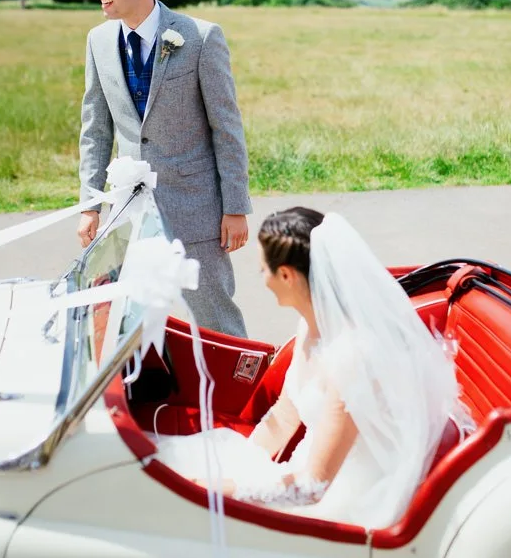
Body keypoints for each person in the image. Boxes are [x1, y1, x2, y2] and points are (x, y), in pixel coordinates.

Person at [155, 207, 474, 528]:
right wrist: (235, 466)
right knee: (165, 471)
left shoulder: (354, 359)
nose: (262, 280)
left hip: (341, 498)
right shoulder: (312, 326)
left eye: (263, 270)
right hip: (301, 472)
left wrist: (223, 492)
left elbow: (314, 487)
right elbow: (282, 417)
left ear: (286, 276)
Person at [77, 0, 251, 338]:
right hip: (128, 211)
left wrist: (236, 206)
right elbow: (95, 129)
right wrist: (90, 203)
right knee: (126, 319)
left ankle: (244, 398)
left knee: (216, 320)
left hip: (197, 207)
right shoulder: (99, 41)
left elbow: (226, 127)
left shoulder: (200, 37)